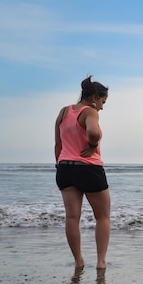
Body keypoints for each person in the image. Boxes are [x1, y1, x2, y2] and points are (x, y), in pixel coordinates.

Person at [55, 76, 110, 269]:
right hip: (89, 168)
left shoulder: (64, 112)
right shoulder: (90, 112)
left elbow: (58, 144)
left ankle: (78, 260)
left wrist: (59, 165)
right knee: (102, 217)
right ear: (95, 97)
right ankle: (101, 262)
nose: (102, 107)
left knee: (72, 217)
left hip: (65, 168)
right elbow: (93, 132)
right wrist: (93, 144)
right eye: (103, 101)